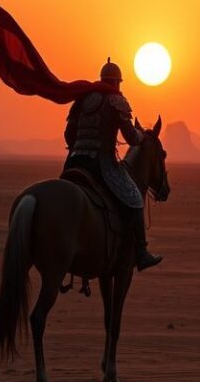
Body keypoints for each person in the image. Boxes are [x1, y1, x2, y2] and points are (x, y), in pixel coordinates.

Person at [63, 57, 163, 271]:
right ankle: (142, 252)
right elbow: (131, 139)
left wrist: (77, 147)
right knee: (135, 198)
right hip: (102, 163)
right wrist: (141, 136)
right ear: (117, 82)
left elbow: (68, 133)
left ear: (102, 79)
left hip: (75, 161)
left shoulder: (82, 99)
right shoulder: (116, 100)